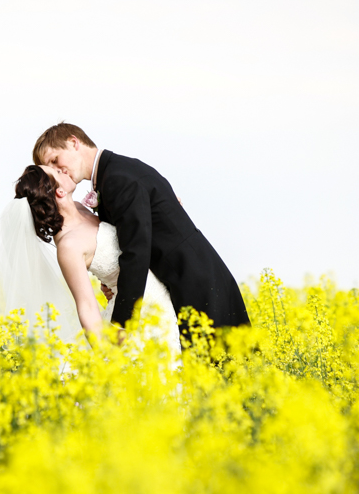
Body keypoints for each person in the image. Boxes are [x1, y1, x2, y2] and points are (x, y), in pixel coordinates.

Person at [33, 123, 250, 338]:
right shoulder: (115, 173)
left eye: (54, 160)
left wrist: (123, 324)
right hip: (187, 283)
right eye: (50, 168)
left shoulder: (118, 179)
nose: (58, 170)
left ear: (73, 142)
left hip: (195, 286)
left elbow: (136, 252)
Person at [0, 164, 179, 348]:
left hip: (159, 295)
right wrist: (106, 356)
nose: (64, 169)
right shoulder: (68, 245)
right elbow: (87, 307)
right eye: (58, 172)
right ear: (59, 191)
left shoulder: (81, 208)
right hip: (134, 316)